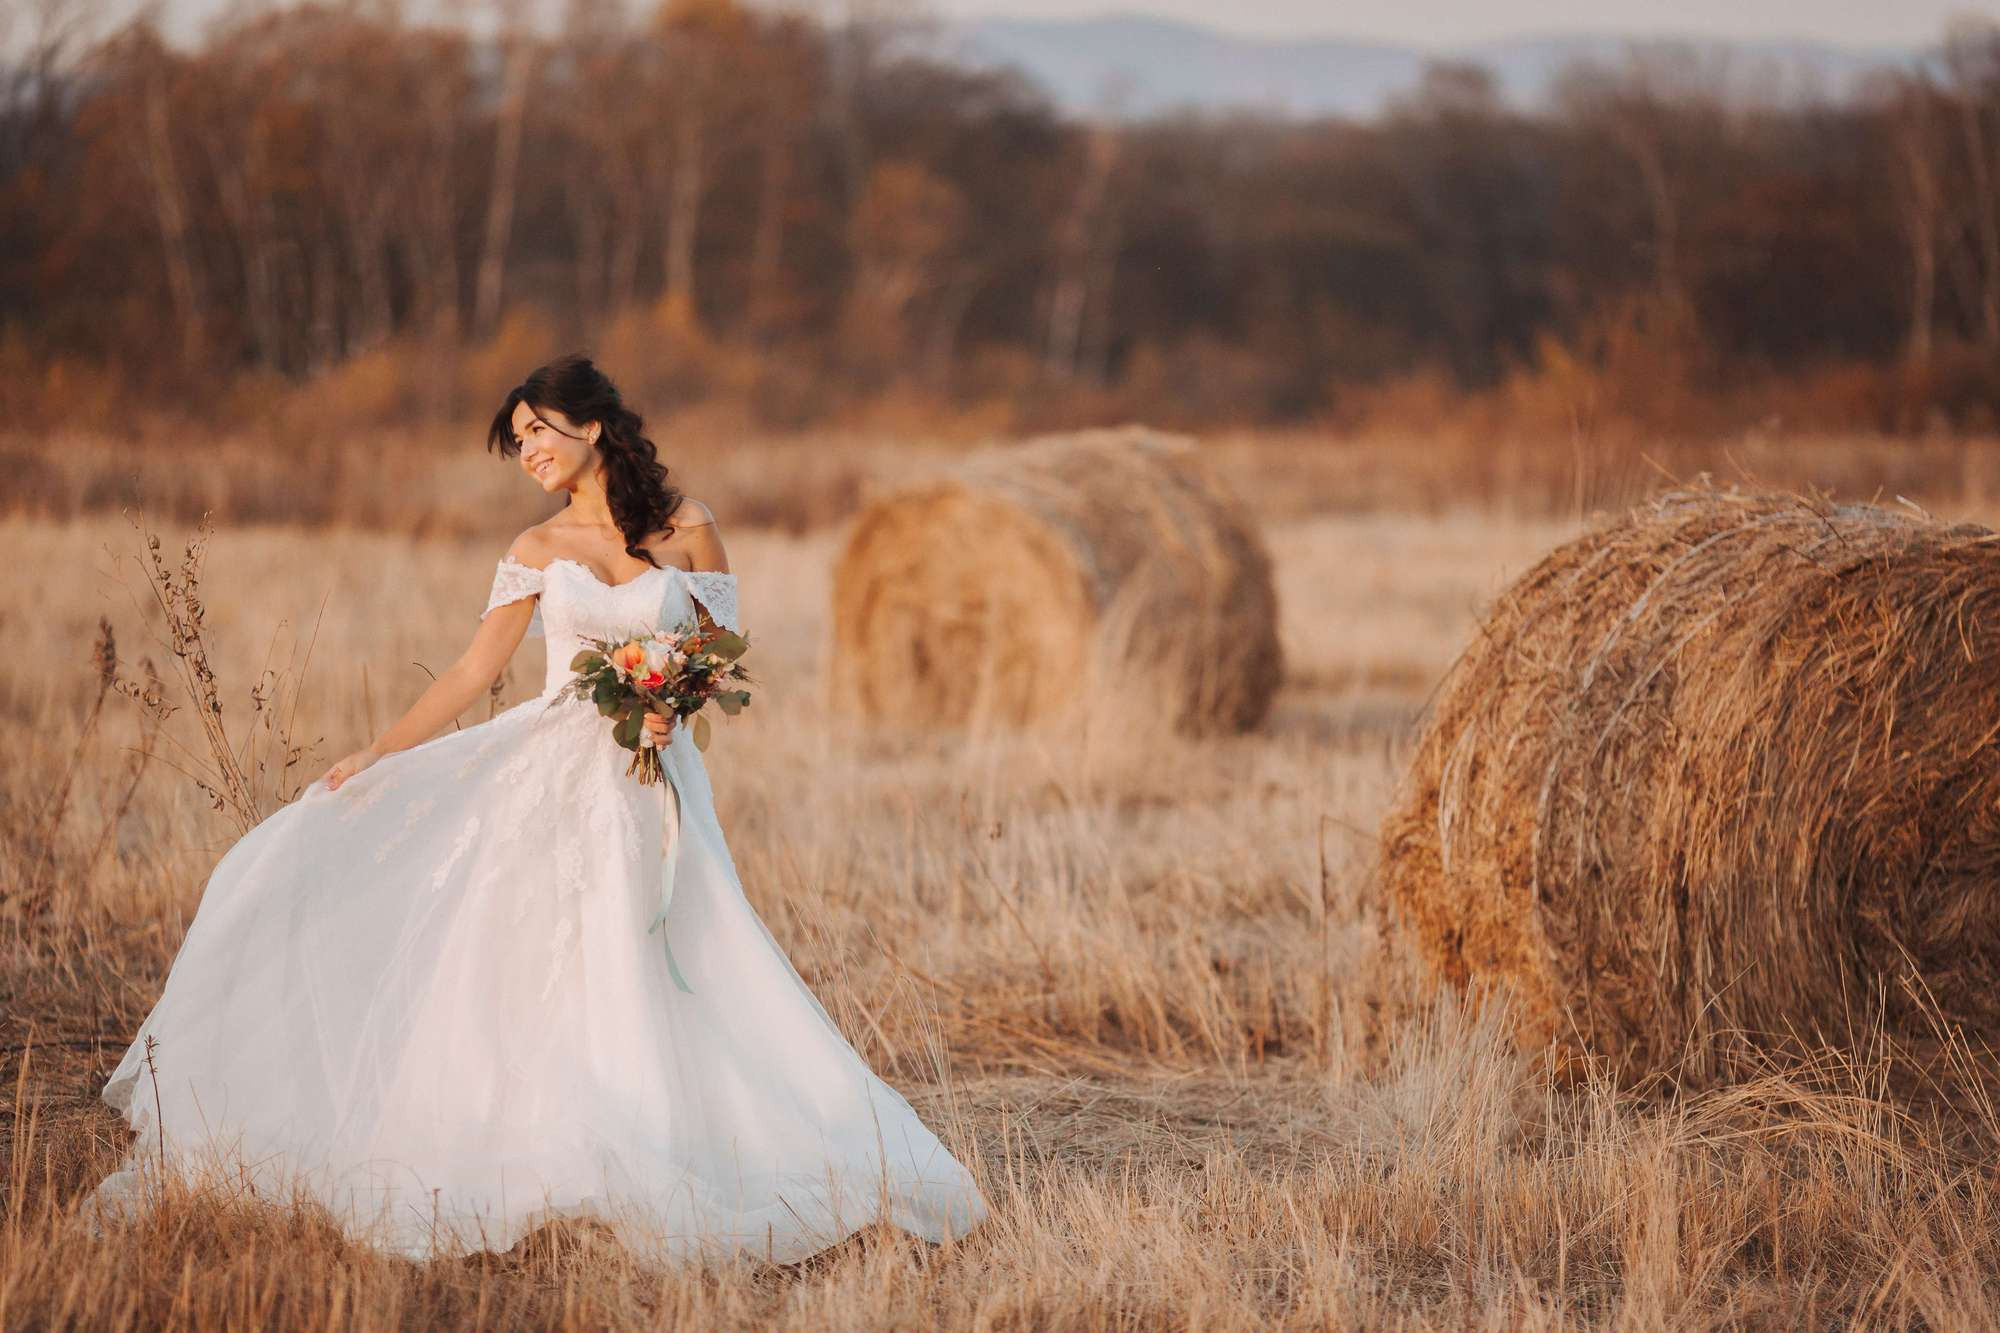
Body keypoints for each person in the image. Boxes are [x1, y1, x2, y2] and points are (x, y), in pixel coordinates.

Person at [85, 354, 988, 1264]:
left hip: (657, 778)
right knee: (544, 953)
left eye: (537, 431)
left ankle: (704, 1138)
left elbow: (718, 650)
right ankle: (552, 1138)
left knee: (680, 949)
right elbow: (477, 672)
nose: (527, 453)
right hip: (551, 776)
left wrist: (678, 696)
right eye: (515, 442)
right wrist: (376, 754)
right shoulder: (534, 551)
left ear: (593, 426)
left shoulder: (691, 528)